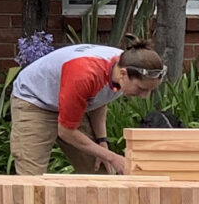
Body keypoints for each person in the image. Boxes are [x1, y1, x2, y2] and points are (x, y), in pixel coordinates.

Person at [9, 41, 165, 174]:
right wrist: (112, 156)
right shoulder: (85, 74)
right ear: (124, 74)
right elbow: (66, 131)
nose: (144, 96)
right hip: (35, 101)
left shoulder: (125, 65)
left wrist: (102, 141)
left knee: (100, 171)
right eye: (141, 89)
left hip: (71, 100)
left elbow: (99, 100)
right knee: (30, 182)